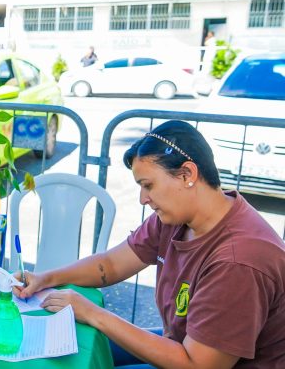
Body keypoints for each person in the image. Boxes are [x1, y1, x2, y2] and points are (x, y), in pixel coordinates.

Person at [15, 120, 285, 368]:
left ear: (187, 174)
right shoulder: (177, 216)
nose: (143, 198)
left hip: (196, 360)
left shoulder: (239, 260)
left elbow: (198, 364)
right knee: (79, 345)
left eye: (148, 185)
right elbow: (110, 265)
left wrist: (94, 313)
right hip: (183, 344)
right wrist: (46, 277)